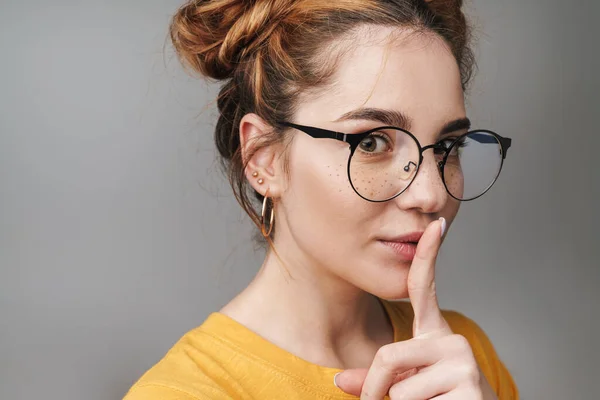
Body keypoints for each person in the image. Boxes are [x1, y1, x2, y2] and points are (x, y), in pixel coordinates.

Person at [124, 0, 518, 398]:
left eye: (448, 146)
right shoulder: (186, 392)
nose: (430, 194)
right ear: (264, 158)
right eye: (372, 142)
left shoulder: (462, 361)